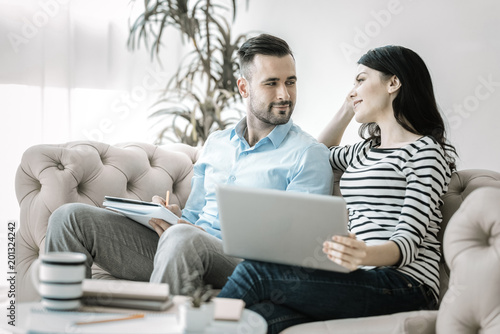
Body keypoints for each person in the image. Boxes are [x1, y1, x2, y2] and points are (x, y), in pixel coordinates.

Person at [45, 34, 334, 295]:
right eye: (272, 83)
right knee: (69, 218)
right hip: (185, 247)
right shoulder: (217, 143)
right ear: (244, 88)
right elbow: (194, 217)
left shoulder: (308, 153)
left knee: (184, 238)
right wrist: (171, 216)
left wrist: (191, 233)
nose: (285, 94)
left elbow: (299, 248)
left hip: (245, 267)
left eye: (291, 82)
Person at [218, 45, 458, 333]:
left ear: (393, 83)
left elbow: (407, 242)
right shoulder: (365, 151)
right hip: (359, 279)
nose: (353, 90)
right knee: (259, 318)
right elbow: (317, 153)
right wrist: (348, 108)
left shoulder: (425, 152)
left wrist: (363, 255)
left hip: (405, 286)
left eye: (360, 80)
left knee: (254, 273)